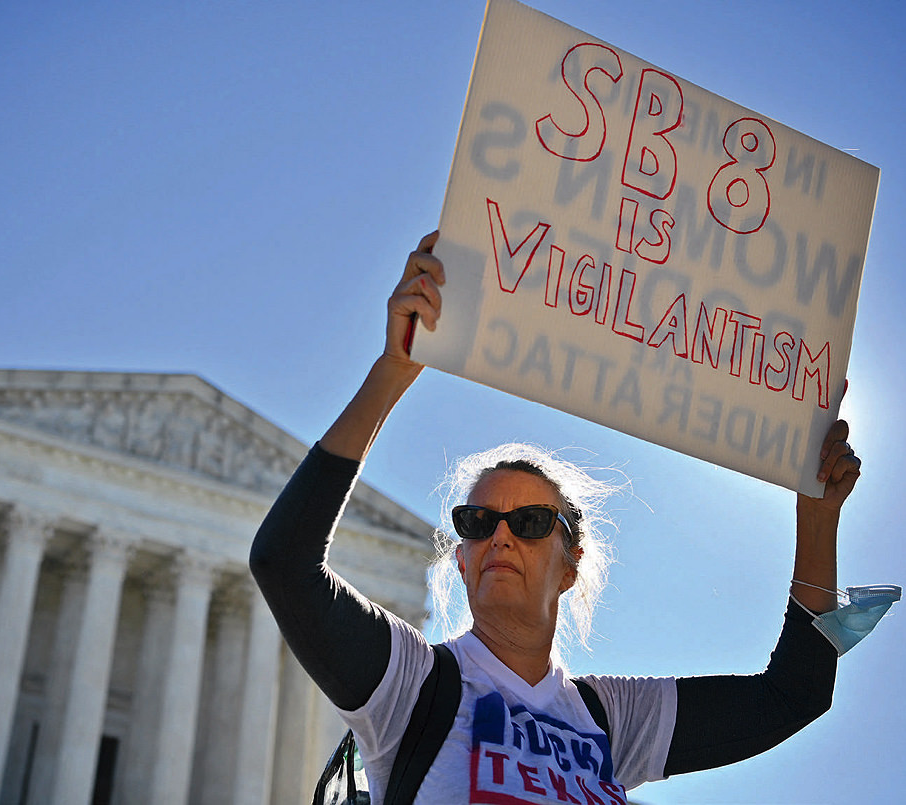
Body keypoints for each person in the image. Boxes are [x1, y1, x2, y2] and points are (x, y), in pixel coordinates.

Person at [250, 231, 862, 802]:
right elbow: (284, 564)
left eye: (532, 523)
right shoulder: (412, 685)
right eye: (478, 523)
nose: (502, 538)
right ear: (460, 560)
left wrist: (817, 518)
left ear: (571, 566)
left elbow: (791, 697)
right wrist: (395, 370)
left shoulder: (611, 720)